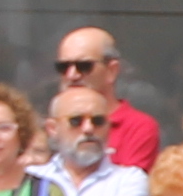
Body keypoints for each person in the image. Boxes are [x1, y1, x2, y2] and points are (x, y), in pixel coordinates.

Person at [51, 25, 162, 169]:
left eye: (84, 66)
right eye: (63, 67)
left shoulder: (137, 128)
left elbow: (129, 187)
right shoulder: (50, 125)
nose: (72, 75)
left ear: (112, 70)